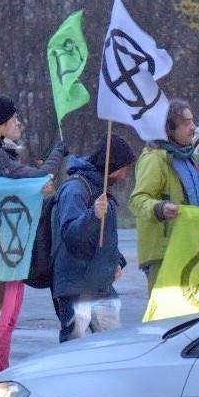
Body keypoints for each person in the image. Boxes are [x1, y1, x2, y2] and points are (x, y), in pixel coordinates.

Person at [0, 90, 66, 378]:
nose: (18, 122)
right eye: (13, 118)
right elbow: (20, 181)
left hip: (8, 254)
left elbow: (28, 179)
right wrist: (56, 155)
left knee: (7, 325)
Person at [130, 99, 199, 293]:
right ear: (169, 128)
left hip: (191, 248)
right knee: (167, 318)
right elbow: (137, 200)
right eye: (186, 123)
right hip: (164, 254)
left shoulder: (190, 158)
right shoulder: (154, 158)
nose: (193, 127)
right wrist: (160, 208)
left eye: (193, 121)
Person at [51, 135, 136, 342]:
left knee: (112, 343)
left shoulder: (100, 189)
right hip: (76, 286)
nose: (125, 175)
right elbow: (70, 234)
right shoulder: (76, 189)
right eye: (123, 167)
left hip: (100, 283)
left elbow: (105, 237)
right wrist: (93, 215)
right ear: (111, 164)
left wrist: (116, 261)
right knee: (74, 344)